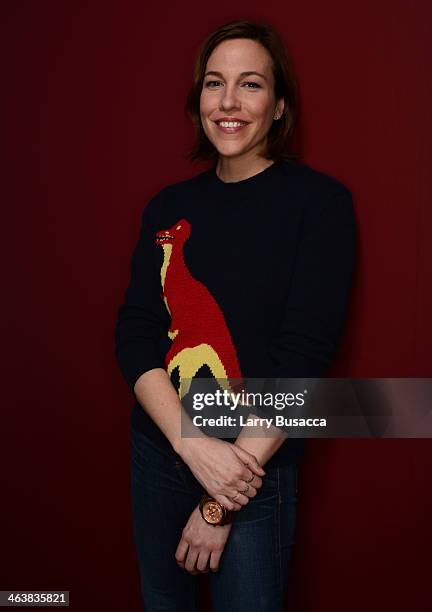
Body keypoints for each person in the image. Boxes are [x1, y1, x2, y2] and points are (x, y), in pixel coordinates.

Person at [114, 18, 357, 612]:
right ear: (198, 98)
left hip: (255, 470)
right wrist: (190, 444)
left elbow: (303, 362)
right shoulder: (169, 207)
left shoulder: (319, 205)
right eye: (213, 84)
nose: (228, 103)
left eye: (250, 85)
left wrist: (222, 500)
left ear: (278, 106)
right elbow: (136, 331)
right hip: (159, 452)